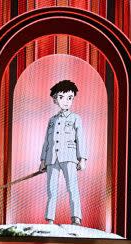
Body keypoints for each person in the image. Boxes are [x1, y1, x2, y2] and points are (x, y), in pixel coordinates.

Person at [39, 80, 87, 226]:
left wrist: (82, 158)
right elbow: (47, 141)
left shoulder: (75, 118)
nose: (66, 101)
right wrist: (42, 160)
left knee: (72, 187)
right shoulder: (52, 120)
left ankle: (76, 217)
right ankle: (50, 219)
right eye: (61, 97)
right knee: (51, 190)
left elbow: (81, 138)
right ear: (55, 99)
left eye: (70, 98)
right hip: (52, 158)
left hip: (69, 157)